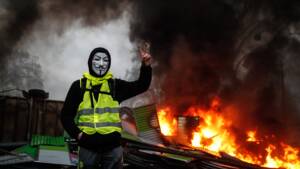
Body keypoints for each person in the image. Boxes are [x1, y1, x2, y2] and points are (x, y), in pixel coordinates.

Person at [60, 46, 152, 169]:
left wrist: (146, 66)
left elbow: (141, 86)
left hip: (112, 149)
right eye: (97, 59)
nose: (102, 64)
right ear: (90, 61)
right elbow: (66, 116)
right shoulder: (79, 86)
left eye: (105, 61)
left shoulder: (115, 86)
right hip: (87, 148)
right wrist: (78, 135)